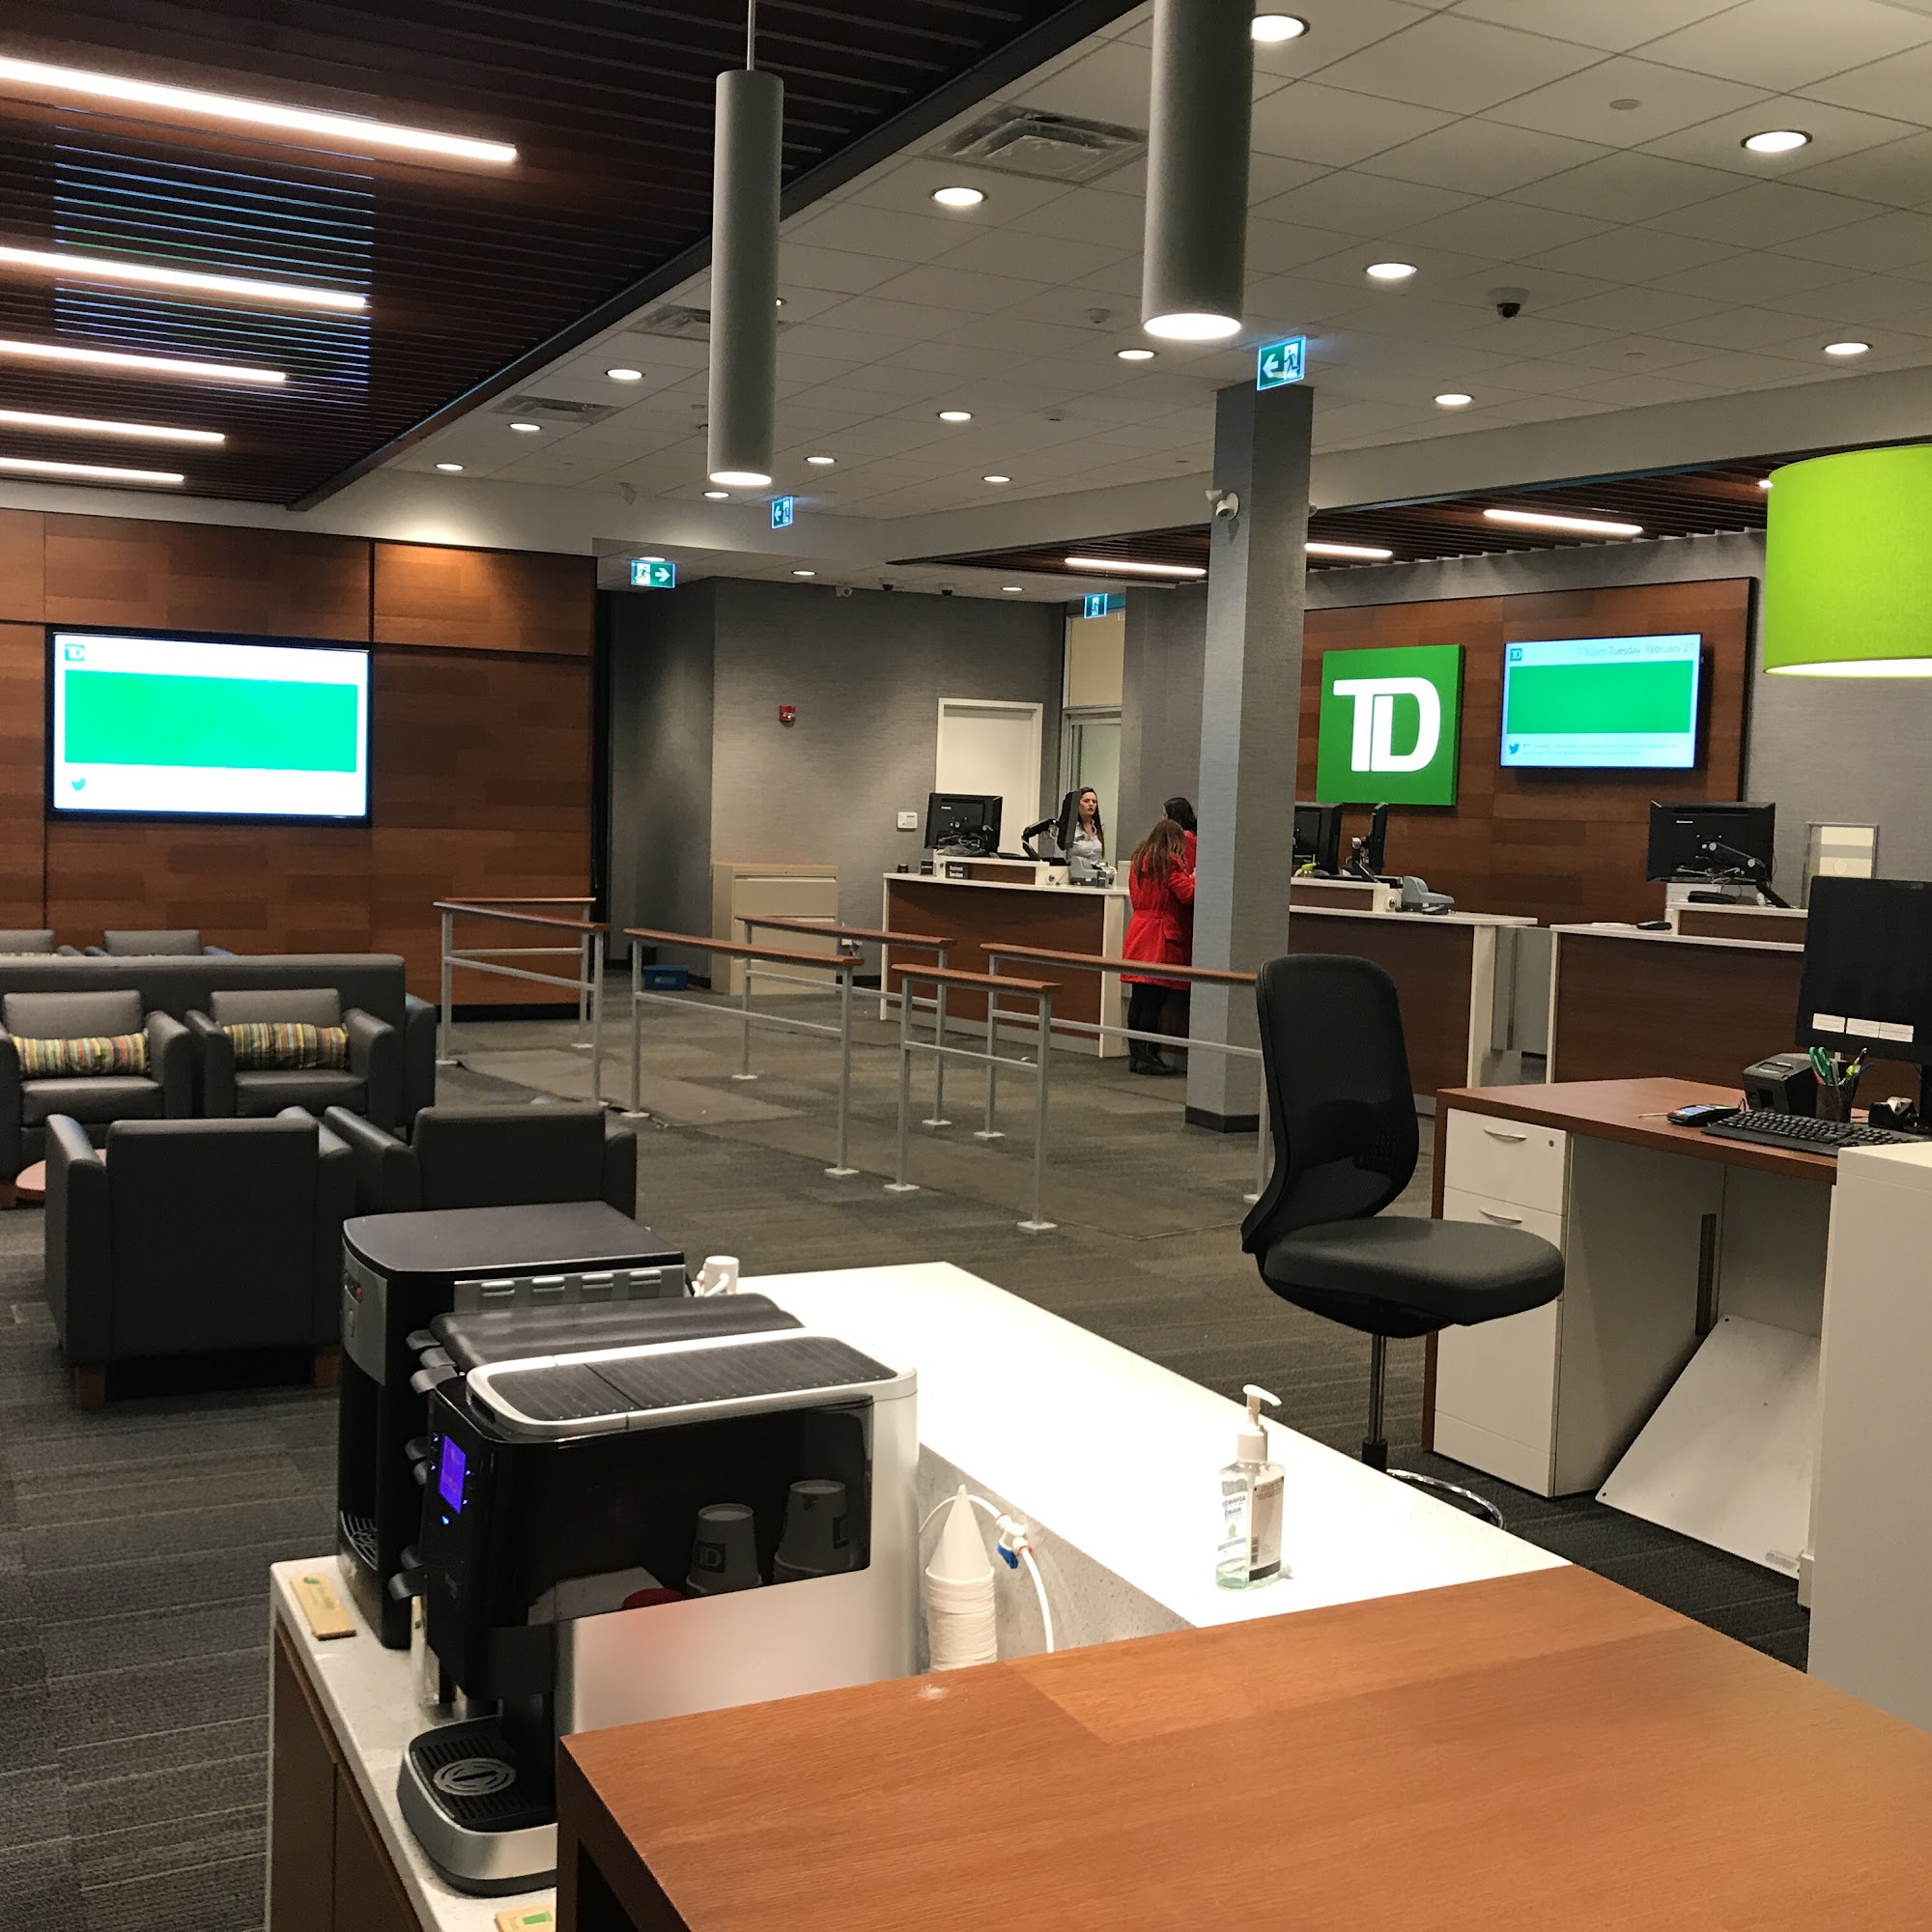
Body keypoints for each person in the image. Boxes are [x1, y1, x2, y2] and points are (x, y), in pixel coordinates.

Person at [1122, 816, 1195, 1075]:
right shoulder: (1169, 863)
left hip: (1139, 930)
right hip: (1161, 935)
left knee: (1139, 998)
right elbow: (1187, 894)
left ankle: (1136, 1055)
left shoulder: (1139, 861)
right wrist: (1195, 879)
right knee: (1154, 1001)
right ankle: (1148, 1056)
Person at [1056, 787, 1106, 873]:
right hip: (1073, 874)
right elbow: (1059, 857)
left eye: (1094, 801)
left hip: (1095, 875)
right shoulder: (1068, 828)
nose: (1091, 804)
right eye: (1086, 801)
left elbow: (1099, 857)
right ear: (1077, 805)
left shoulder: (1099, 827)